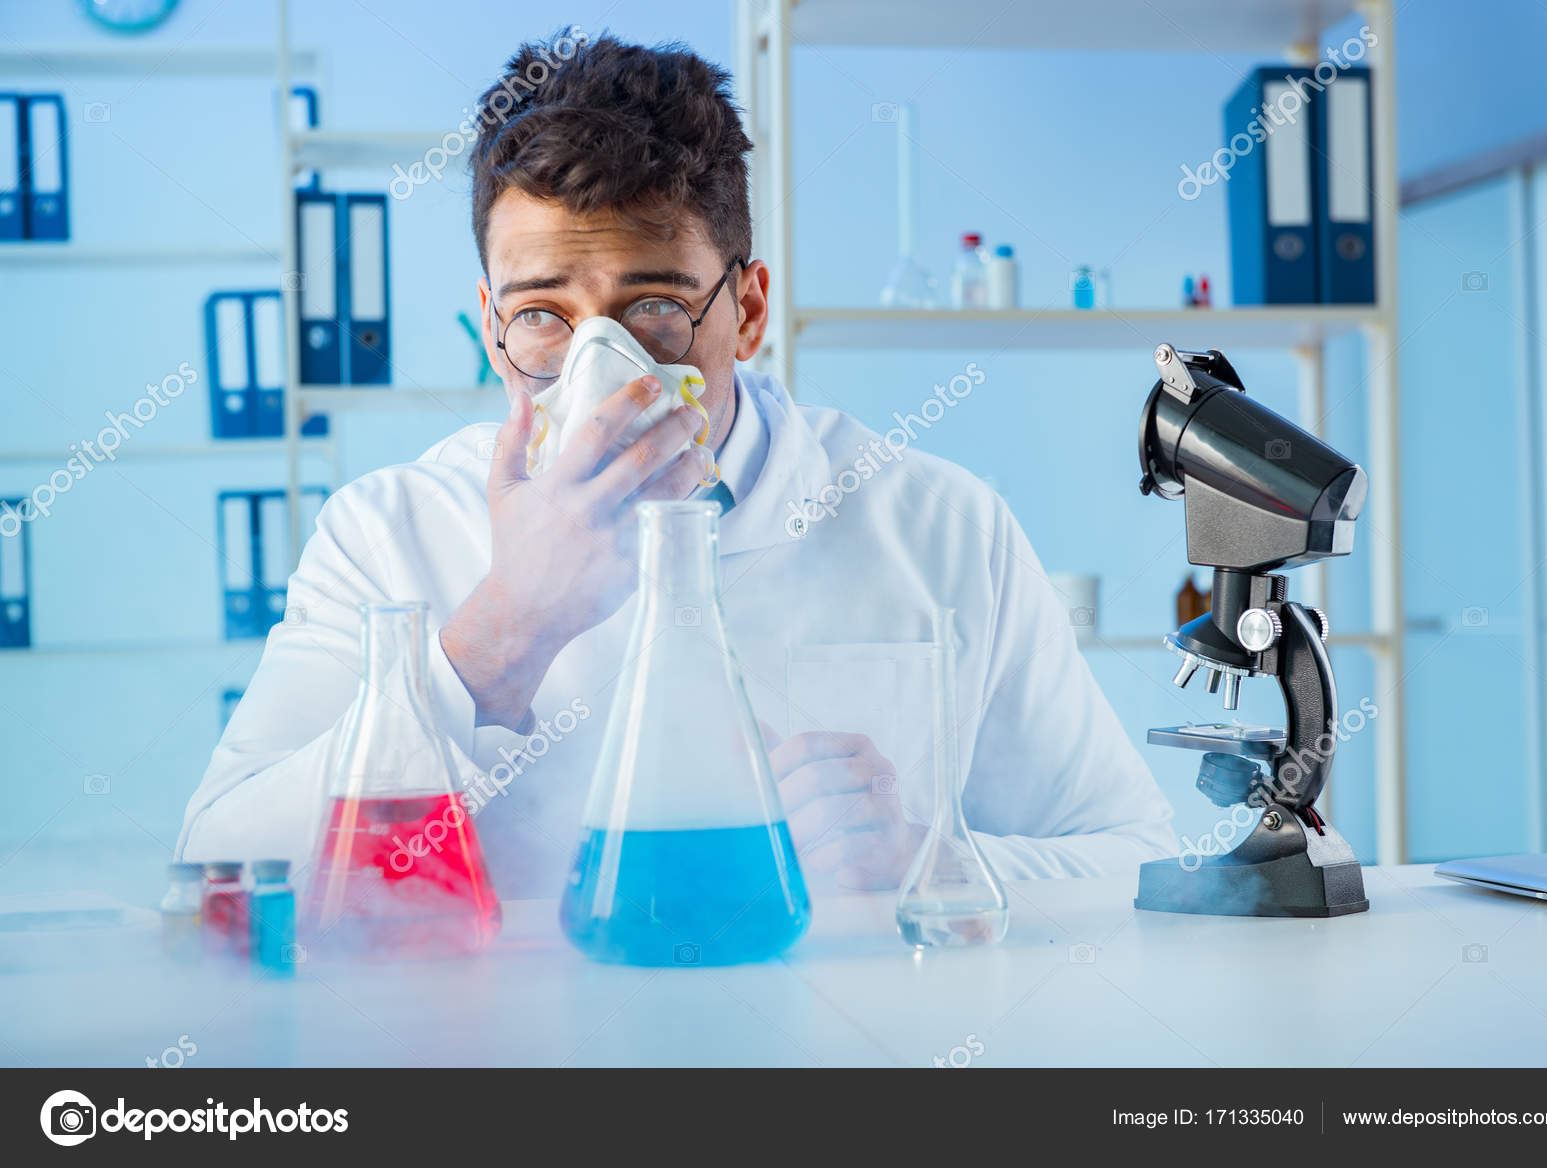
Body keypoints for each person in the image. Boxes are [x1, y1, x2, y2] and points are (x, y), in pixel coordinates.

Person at [179, 32, 1176, 896]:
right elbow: (222, 866)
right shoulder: (385, 533)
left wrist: (928, 857)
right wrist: (506, 630)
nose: (600, 368)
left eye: (654, 308)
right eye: (542, 315)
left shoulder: (941, 527)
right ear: (490, 327)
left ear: (747, 310)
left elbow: (1137, 857)